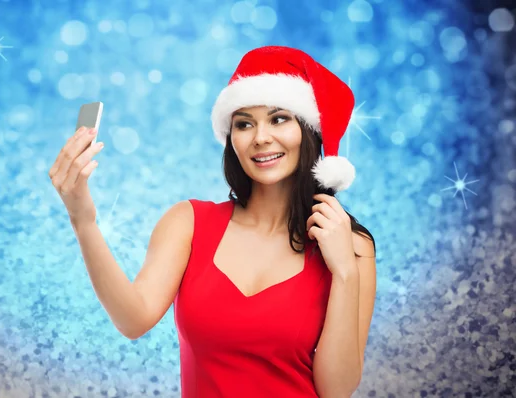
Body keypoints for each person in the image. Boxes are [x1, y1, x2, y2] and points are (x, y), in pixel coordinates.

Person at [49, 45, 377, 398]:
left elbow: (337, 389)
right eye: (244, 124)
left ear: (309, 131)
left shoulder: (351, 246)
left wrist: (344, 272)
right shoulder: (189, 223)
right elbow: (133, 319)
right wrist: (83, 220)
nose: (260, 137)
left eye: (279, 118)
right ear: (231, 138)